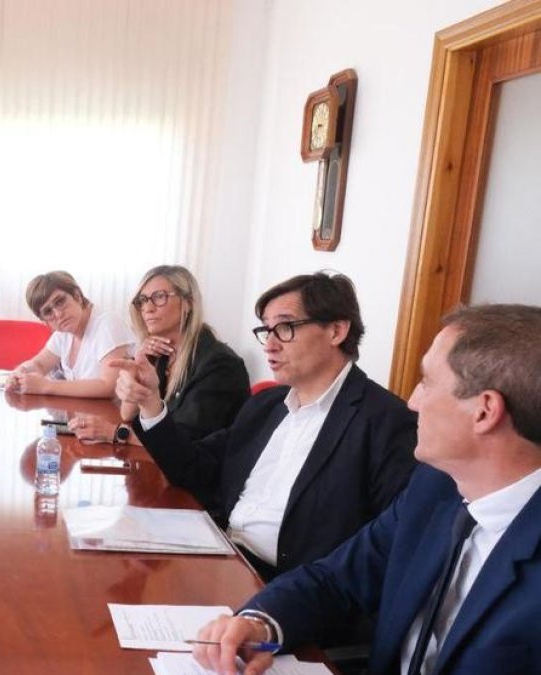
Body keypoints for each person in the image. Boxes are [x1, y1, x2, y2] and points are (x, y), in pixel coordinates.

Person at [194, 304, 541, 675]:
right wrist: (259, 623)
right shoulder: (434, 488)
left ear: (484, 411)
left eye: (426, 382)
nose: (413, 401)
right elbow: (337, 580)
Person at [115, 272, 417, 579]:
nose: (269, 345)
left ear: (336, 330)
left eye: (285, 328)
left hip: (289, 588)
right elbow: (193, 468)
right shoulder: (267, 406)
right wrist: (151, 403)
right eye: (266, 330)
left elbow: (384, 551)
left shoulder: (386, 422)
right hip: (219, 553)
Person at [70, 264, 249, 444]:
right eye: (143, 300)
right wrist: (141, 361)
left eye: (159, 297)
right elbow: (127, 413)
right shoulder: (162, 353)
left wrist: (116, 434)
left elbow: (184, 444)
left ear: (189, 303)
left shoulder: (220, 365)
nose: (147, 308)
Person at [7, 271, 133, 399]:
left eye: (60, 302)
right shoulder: (63, 333)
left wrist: (46, 386)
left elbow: (110, 386)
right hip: (82, 415)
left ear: (77, 296)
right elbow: (39, 364)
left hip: (114, 415)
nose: (58, 314)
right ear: (45, 321)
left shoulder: (108, 324)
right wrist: (20, 372)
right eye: (48, 311)